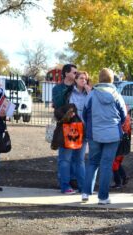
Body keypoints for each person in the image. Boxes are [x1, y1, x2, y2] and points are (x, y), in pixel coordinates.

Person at [82, 68, 127, 204]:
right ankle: (103, 197)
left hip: (94, 133)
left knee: (93, 162)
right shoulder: (117, 95)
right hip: (113, 135)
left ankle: (85, 193)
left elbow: (84, 113)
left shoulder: (92, 94)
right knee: (106, 165)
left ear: (99, 79)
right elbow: (123, 115)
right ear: (112, 79)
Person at [52, 64, 79, 194]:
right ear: (66, 73)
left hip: (77, 125)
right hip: (64, 124)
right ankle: (64, 183)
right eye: (74, 72)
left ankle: (72, 181)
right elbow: (58, 105)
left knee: (75, 157)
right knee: (65, 157)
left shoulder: (77, 86)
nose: (76, 75)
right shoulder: (58, 88)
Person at [68, 71, 91, 193]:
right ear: (76, 80)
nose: (84, 81)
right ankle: (71, 180)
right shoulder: (71, 93)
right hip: (73, 127)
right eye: (81, 78)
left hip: (85, 129)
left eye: (85, 79)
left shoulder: (89, 93)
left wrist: (90, 93)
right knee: (71, 156)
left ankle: (83, 186)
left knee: (80, 158)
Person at [111, 110, 131, 189]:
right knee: (117, 162)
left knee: (115, 163)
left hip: (118, 142)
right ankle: (123, 177)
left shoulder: (121, 116)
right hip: (123, 143)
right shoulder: (126, 116)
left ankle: (118, 182)